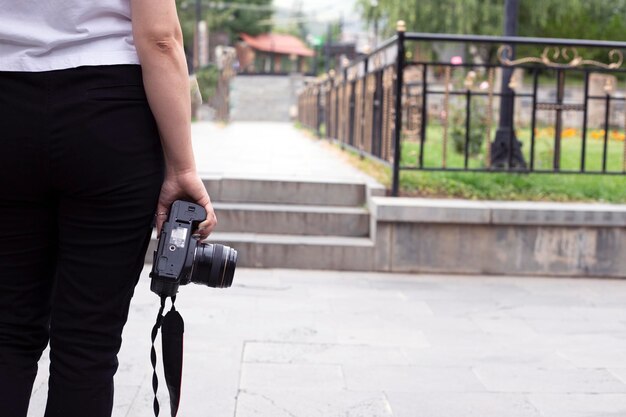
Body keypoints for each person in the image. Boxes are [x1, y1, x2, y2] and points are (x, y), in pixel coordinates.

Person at [0, 0, 217, 416]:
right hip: (108, 116)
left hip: (7, 106)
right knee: (87, 344)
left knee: (7, 331)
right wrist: (182, 166)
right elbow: (159, 38)